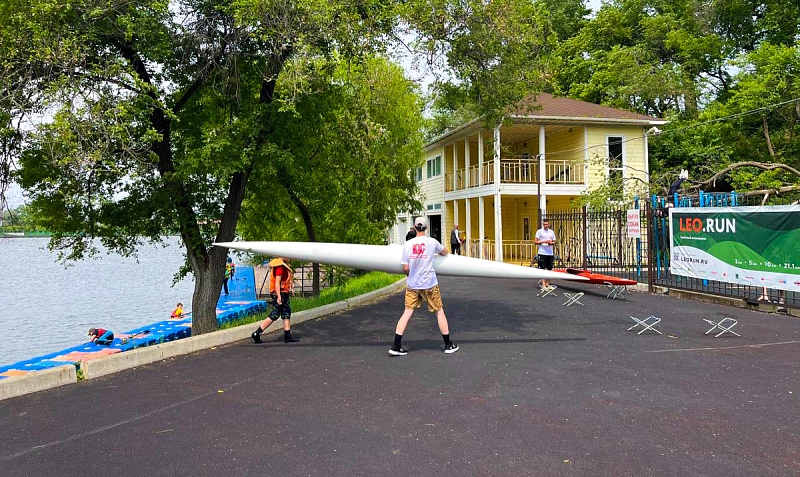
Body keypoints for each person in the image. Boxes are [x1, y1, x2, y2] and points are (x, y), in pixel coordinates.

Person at [389, 216, 459, 356]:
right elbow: (444, 252)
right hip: (429, 283)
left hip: (413, 284)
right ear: (426, 228)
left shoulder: (407, 244)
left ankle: (396, 345)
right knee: (439, 311)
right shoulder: (431, 242)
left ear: (414, 227)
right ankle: (448, 344)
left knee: (407, 312)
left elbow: (405, 267)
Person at [251, 257, 299, 344]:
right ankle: (257, 333)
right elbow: (277, 282)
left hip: (284, 292)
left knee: (286, 312)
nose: (290, 257)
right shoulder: (279, 266)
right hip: (279, 293)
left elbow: (285, 281)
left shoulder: (283, 265)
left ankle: (287, 335)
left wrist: (290, 287)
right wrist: (279, 296)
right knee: (275, 314)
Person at [534, 219, 556, 289]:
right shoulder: (539, 232)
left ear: (549, 224)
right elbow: (535, 242)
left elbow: (554, 241)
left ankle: (547, 284)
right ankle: (543, 285)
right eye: (544, 224)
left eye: (547, 224)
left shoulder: (551, 232)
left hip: (550, 253)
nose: (545, 226)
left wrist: (551, 243)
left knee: (549, 268)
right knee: (543, 269)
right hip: (542, 252)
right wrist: (545, 241)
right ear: (542, 224)